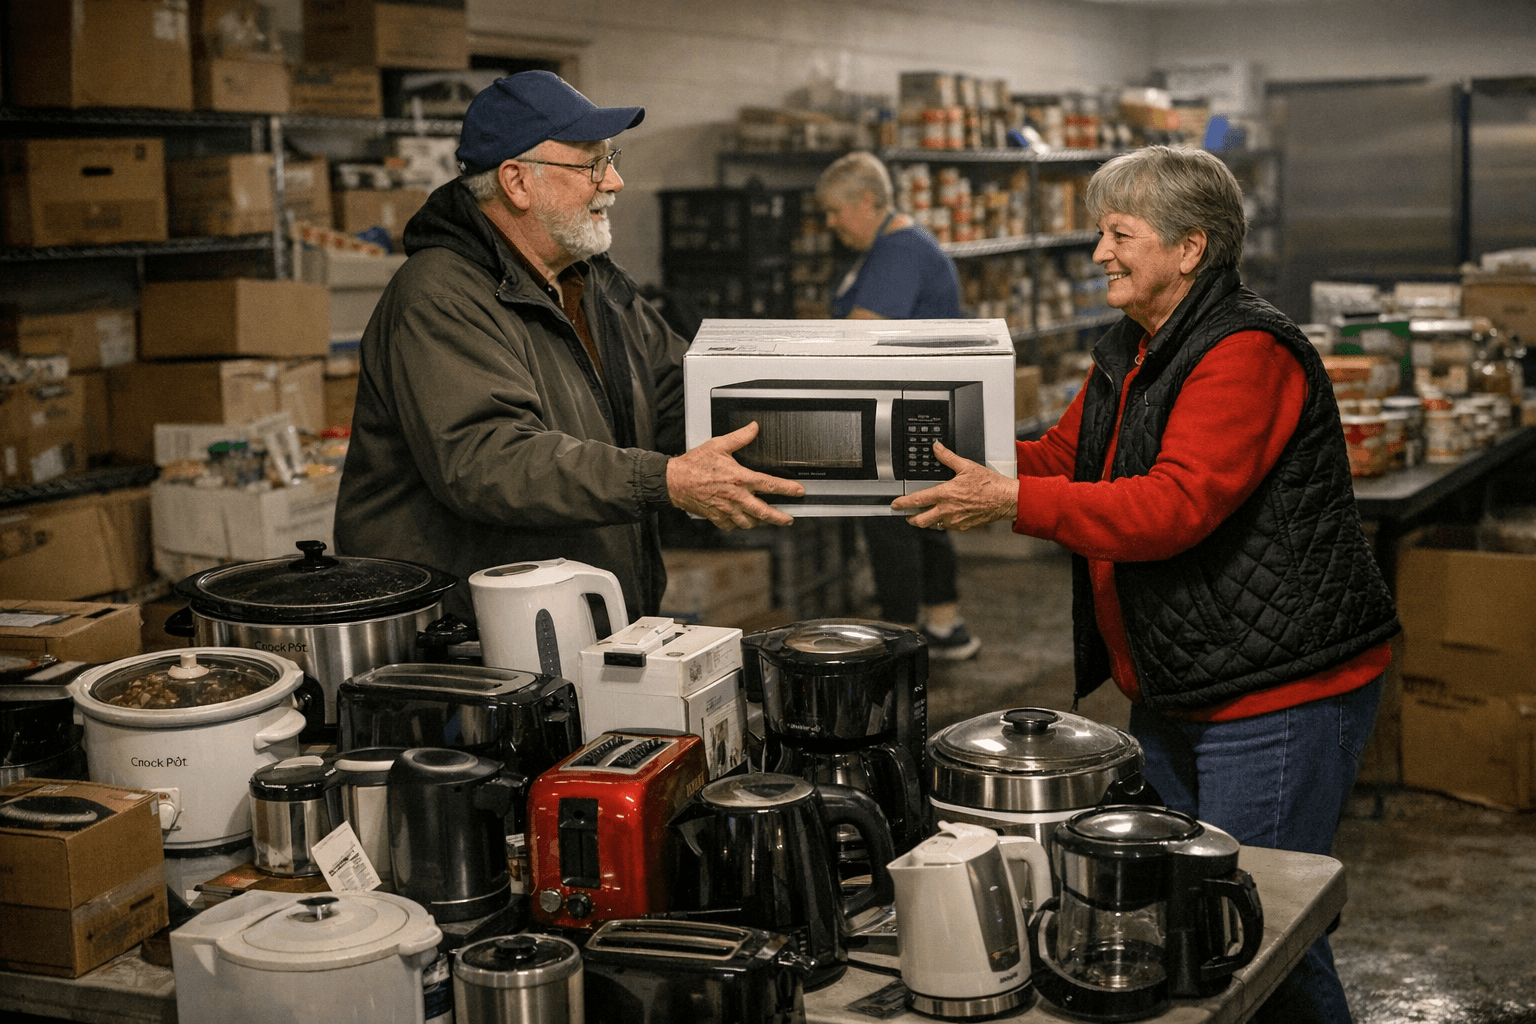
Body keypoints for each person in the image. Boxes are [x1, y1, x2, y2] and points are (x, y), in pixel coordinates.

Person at [892, 145, 1399, 1024]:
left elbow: (1172, 508)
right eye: (1100, 233)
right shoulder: (1138, 346)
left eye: (1119, 234)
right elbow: (1068, 458)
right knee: (1194, 920)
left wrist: (1011, 501)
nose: (1099, 254)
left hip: (1275, 693)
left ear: (1191, 248)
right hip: (1181, 677)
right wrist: (945, 461)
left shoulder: (1245, 353)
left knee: (1258, 929)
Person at [335, 72, 803, 624]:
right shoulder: (439, 296)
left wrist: (829, 437)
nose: (615, 183)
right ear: (516, 182)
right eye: (591, 164)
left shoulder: (592, 282)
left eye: (612, 159)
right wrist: (665, 480)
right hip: (474, 643)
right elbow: (489, 461)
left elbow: (681, 392)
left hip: (574, 610)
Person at [815, 151, 979, 659]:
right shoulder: (893, 245)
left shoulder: (898, 253)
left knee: (890, 521)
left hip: (899, 412)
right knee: (922, 517)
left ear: (867, 201)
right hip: (914, 410)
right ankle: (945, 626)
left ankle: (899, 642)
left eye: (835, 211)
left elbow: (861, 334)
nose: (830, 223)